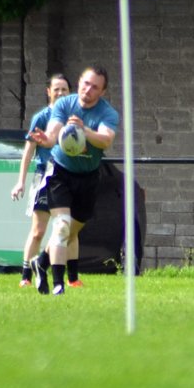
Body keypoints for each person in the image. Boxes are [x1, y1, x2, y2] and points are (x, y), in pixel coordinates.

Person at [27, 65, 119, 295]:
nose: (88, 90)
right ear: (79, 82)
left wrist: (84, 130)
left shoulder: (107, 113)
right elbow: (53, 133)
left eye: (95, 87)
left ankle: (42, 262)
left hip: (88, 178)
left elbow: (106, 140)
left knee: (70, 232)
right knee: (62, 225)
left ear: (103, 92)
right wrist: (46, 139)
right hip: (60, 172)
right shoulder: (64, 104)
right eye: (86, 84)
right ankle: (58, 284)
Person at [11, 72, 71, 287]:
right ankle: (26, 275)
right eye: (57, 89)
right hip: (45, 176)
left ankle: (57, 272)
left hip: (66, 177)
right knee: (38, 231)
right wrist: (20, 182)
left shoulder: (74, 119)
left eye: (64, 89)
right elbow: (28, 152)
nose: (60, 93)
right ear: (48, 92)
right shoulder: (41, 118)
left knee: (64, 229)